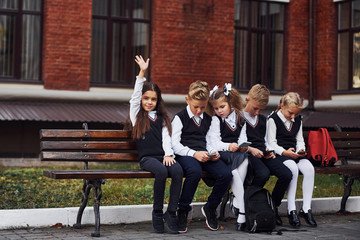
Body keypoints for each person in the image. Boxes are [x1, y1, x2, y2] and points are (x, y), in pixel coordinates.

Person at [129, 55, 183, 234]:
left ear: (157, 101)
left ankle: (172, 213)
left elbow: (167, 138)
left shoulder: (162, 119)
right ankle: (157, 212)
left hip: (162, 156)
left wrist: (169, 155)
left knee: (177, 171)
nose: (149, 102)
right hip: (147, 159)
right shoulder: (137, 116)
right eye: (146, 98)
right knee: (161, 171)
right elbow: (135, 98)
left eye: (153, 99)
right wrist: (142, 73)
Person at [171, 81, 232, 233]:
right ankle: (183, 210)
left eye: (203, 107)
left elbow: (209, 141)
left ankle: (210, 207)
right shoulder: (180, 118)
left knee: (225, 174)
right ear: (187, 100)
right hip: (185, 154)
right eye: (195, 107)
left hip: (204, 154)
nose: (199, 110)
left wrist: (213, 152)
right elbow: (175, 145)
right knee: (195, 172)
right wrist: (194, 154)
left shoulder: (209, 119)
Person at [242, 84, 292, 227]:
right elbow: (237, 142)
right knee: (263, 174)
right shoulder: (239, 117)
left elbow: (266, 141)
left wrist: (269, 151)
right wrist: (250, 149)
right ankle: (251, 202)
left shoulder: (263, 120)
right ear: (247, 100)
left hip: (262, 152)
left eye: (261, 110)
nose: (257, 112)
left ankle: (272, 206)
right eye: (255, 108)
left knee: (286, 174)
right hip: (247, 152)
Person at [266, 92, 317, 227]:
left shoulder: (298, 120)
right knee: (292, 169)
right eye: (290, 113)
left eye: (296, 113)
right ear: (282, 106)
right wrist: (284, 152)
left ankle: (306, 209)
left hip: (295, 154)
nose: (293, 116)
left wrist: (301, 150)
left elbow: (299, 140)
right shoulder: (273, 119)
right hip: (281, 155)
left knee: (309, 169)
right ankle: (291, 209)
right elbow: (271, 142)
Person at [206, 83, 249, 231]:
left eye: (222, 107)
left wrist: (242, 145)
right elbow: (214, 142)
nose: (219, 111)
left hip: (237, 153)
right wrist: (228, 146)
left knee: (245, 159)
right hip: (223, 154)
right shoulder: (216, 120)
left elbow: (243, 138)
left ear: (230, 103)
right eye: (216, 108)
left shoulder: (240, 118)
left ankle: (237, 199)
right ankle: (242, 212)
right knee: (234, 172)